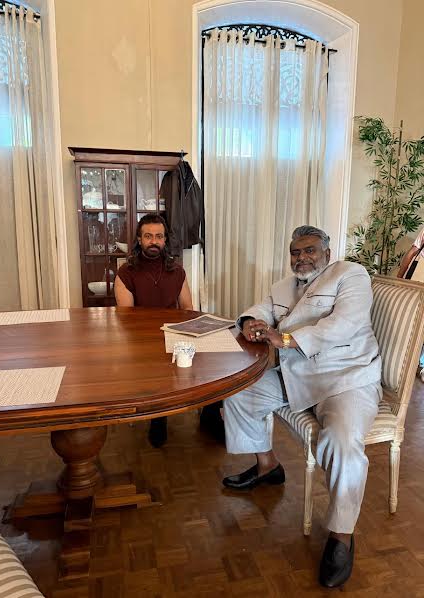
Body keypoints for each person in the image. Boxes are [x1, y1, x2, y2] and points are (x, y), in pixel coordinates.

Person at [222, 225, 382, 588]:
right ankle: (268, 466)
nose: (302, 258)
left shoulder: (351, 274)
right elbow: (260, 309)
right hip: (296, 374)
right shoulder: (283, 285)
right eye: (295, 252)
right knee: (239, 392)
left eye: (310, 250)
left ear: (327, 252)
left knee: (342, 443)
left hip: (346, 377)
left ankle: (341, 534)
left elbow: (345, 325)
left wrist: (285, 338)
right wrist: (250, 323)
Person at [115, 214, 193, 447]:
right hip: (140, 339)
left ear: (165, 240)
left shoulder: (177, 271)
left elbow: (187, 308)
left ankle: (211, 417)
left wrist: (187, 334)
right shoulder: (126, 273)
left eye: (159, 236)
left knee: (209, 361)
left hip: (174, 334)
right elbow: (126, 318)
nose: (154, 241)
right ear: (139, 239)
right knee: (155, 364)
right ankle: (158, 417)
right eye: (148, 236)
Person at [397, 227, 424, 381]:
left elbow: (413, 251)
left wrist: (399, 279)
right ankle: (413, 364)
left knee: (411, 322)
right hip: (418, 278)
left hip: (417, 281)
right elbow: (413, 251)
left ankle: (413, 363)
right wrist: (399, 279)